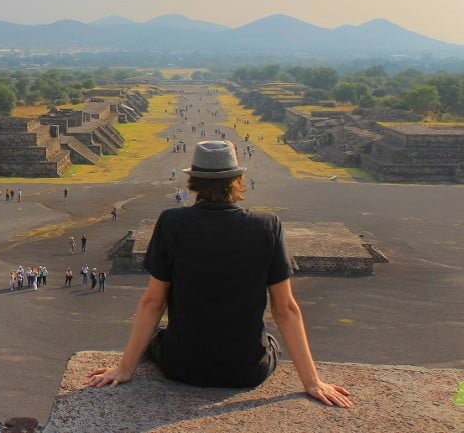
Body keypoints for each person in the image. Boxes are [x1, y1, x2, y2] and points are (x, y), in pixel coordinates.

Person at [86, 140, 352, 408]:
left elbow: (153, 302)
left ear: (193, 181)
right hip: (247, 371)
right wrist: (312, 382)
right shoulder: (267, 226)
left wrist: (125, 368)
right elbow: (285, 309)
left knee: (161, 337)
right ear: (237, 179)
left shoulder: (171, 222)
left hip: (180, 365)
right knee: (268, 337)